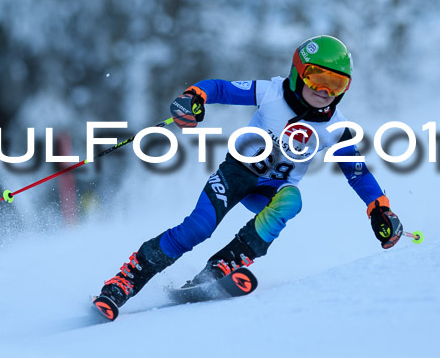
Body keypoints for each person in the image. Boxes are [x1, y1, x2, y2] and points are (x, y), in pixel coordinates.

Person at [94, 35, 403, 314]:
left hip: (272, 190)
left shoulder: (337, 128)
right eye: (317, 78)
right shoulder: (271, 92)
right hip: (236, 174)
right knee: (198, 228)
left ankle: (223, 265)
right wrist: (194, 98)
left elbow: (358, 173)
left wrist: (380, 208)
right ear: (299, 73)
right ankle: (124, 282)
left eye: (336, 85)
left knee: (292, 200)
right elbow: (218, 88)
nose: (324, 92)